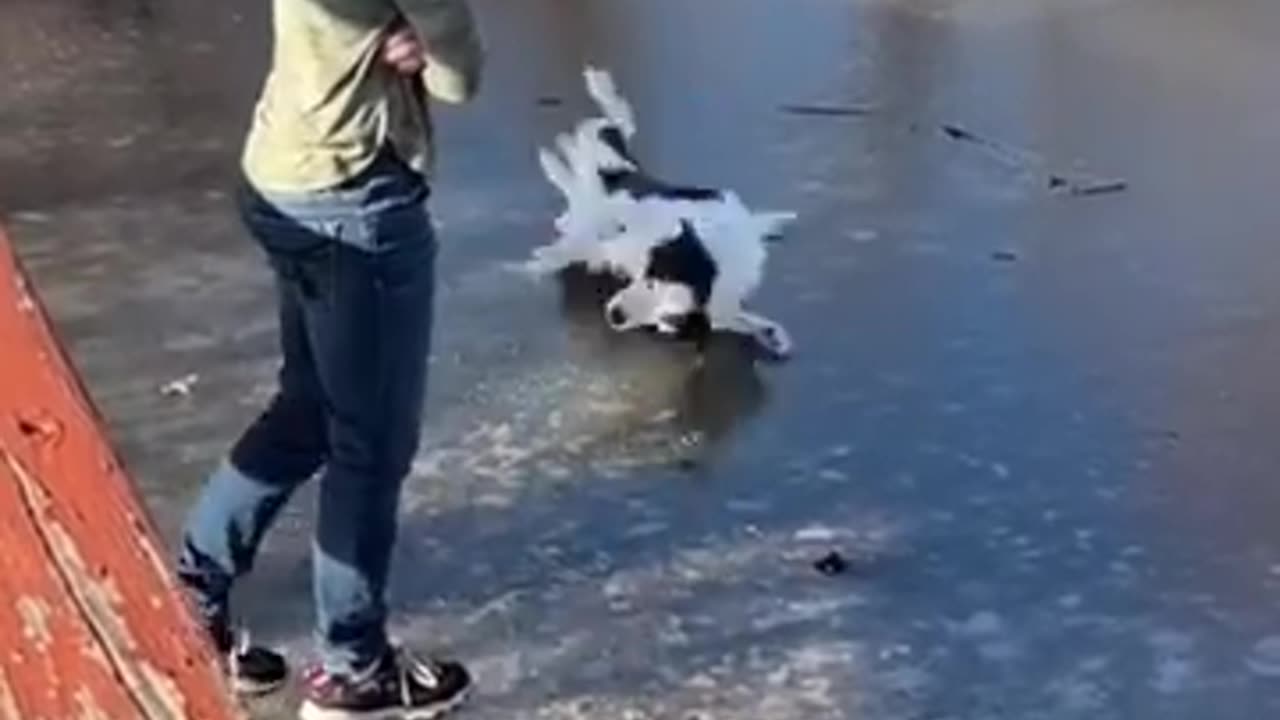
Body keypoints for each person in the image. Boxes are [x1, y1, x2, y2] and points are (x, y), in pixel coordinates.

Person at [174, 1, 484, 717]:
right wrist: (429, 44)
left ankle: (193, 595)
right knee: (368, 442)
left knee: (311, 409)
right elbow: (458, 77)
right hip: (353, 203)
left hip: (284, 172)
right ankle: (354, 672)